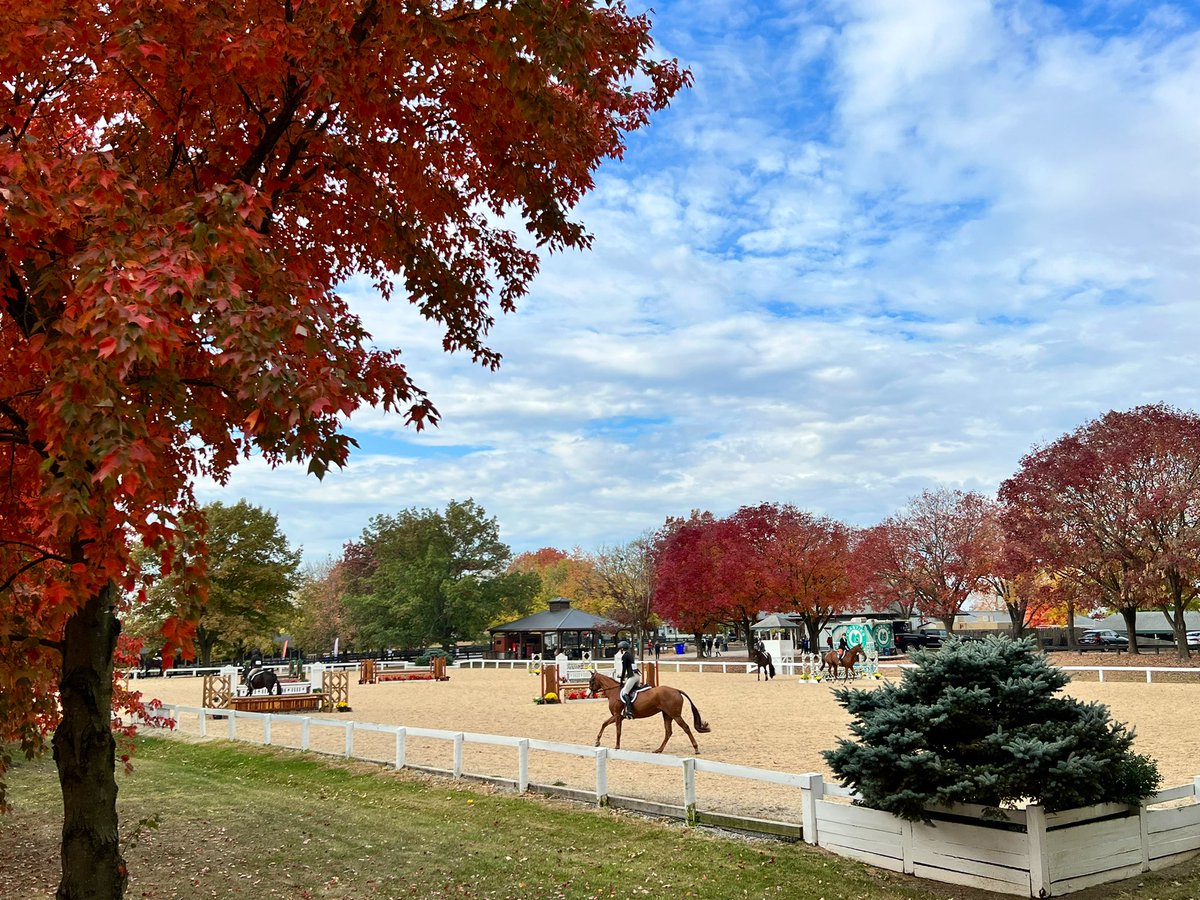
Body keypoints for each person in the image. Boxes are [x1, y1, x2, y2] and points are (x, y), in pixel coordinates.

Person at [616, 640, 640, 719]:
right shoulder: (630, 655)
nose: (620, 651)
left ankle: (629, 710)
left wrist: (621, 680)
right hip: (637, 676)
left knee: (625, 692)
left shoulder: (624, 656)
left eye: (620, 649)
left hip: (632, 676)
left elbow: (624, 669)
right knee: (632, 691)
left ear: (622, 649)